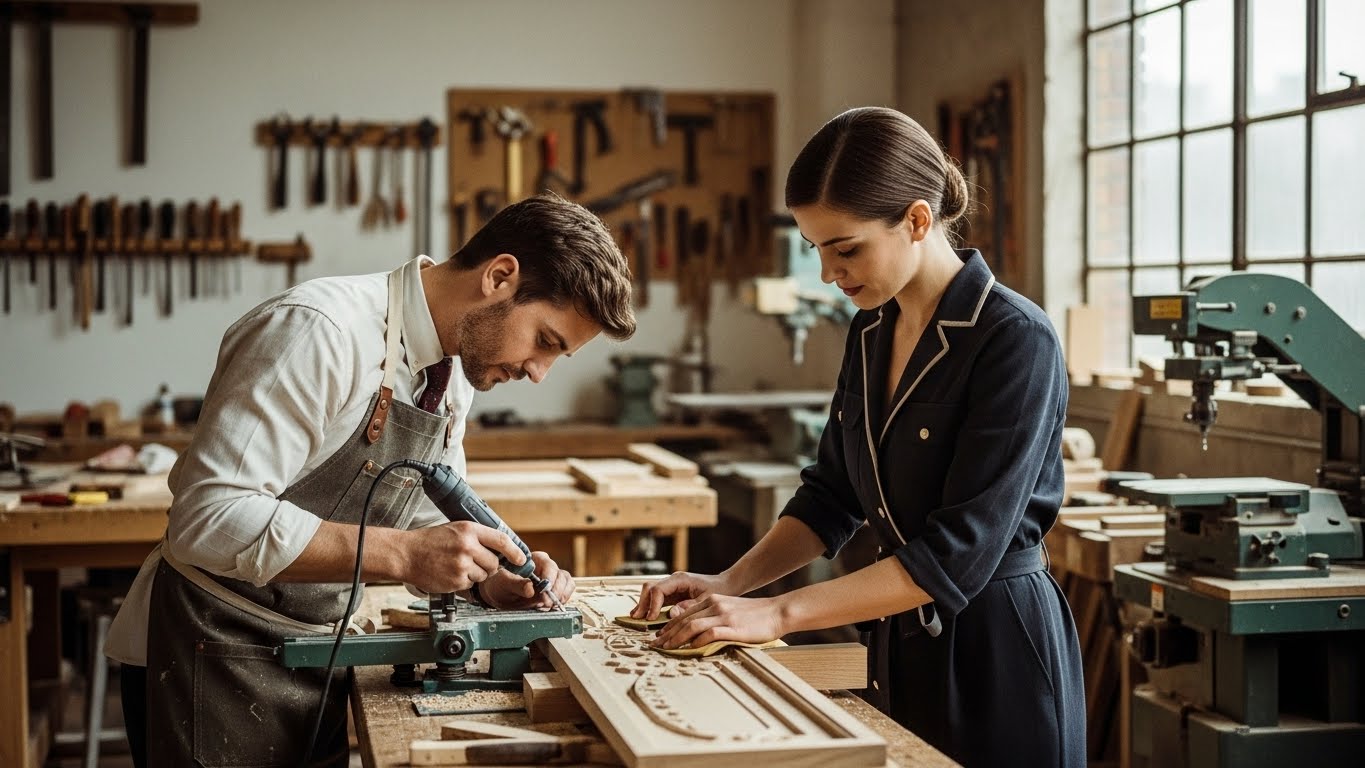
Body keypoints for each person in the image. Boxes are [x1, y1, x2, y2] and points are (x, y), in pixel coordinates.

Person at [106, 193, 637, 767]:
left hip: (314, 653)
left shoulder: (450, 370)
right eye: (545, 341)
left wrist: (484, 581)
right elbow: (208, 519)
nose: (538, 372)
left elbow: (429, 520)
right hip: (209, 654)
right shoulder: (318, 330)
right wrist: (404, 555)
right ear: (500, 277)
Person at [631, 107, 1085, 767]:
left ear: (918, 220)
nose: (828, 274)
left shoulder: (1014, 337)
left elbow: (958, 554)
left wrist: (777, 614)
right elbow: (831, 494)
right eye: (817, 250)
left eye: (845, 249)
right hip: (897, 637)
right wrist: (731, 583)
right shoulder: (870, 330)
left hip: (996, 650)